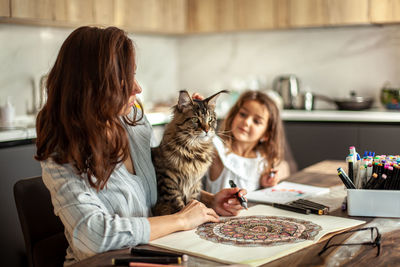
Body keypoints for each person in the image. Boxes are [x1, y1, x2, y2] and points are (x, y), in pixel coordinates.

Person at [35, 26, 246, 265]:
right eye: (124, 78)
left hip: (155, 252)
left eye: (134, 74)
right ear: (92, 85)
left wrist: (207, 202)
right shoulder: (60, 154)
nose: (138, 88)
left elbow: (160, 181)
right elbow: (94, 235)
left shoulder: (133, 122)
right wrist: (180, 220)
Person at [204, 90, 290, 194]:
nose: (246, 122)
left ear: (266, 134)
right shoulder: (217, 149)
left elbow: (285, 167)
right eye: (243, 114)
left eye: (256, 121)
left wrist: (274, 178)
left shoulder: (264, 161)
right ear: (233, 116)